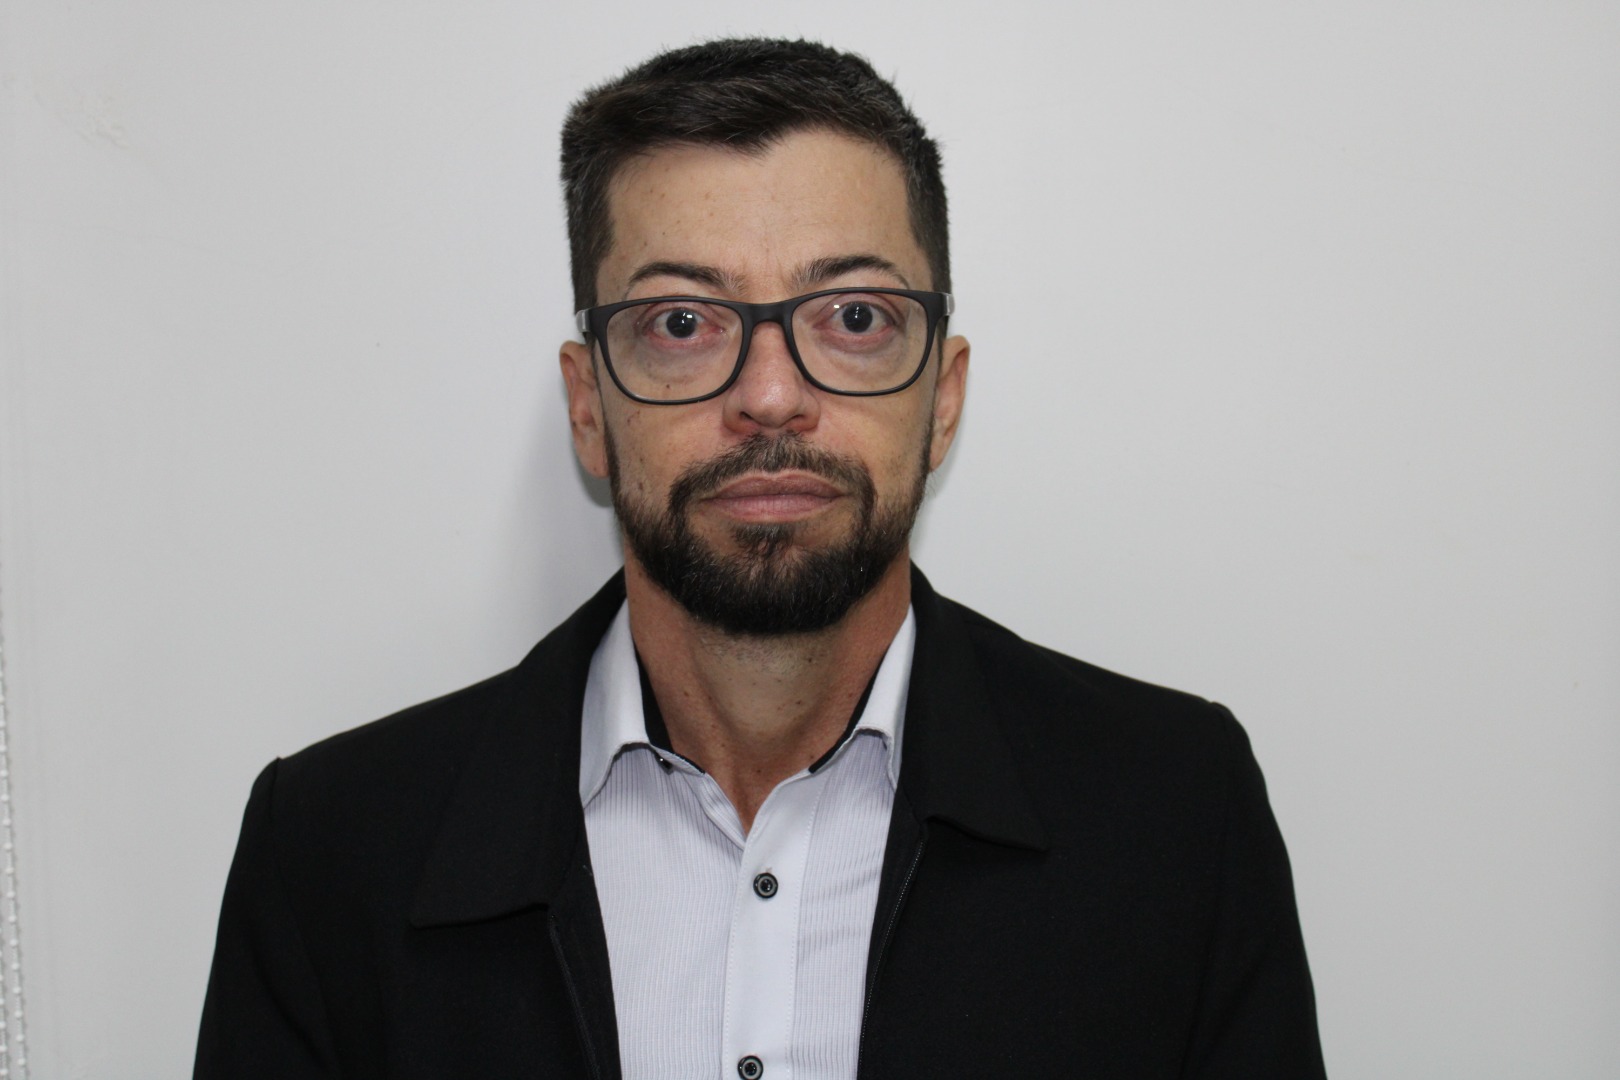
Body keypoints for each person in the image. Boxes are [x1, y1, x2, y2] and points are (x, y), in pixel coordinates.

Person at [194, 38, 1325, 1080]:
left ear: (944, 398)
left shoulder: (1176, 816)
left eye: (856, 317)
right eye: (682, 323)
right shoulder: (333, 852)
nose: (771, 395)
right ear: (589, 408)